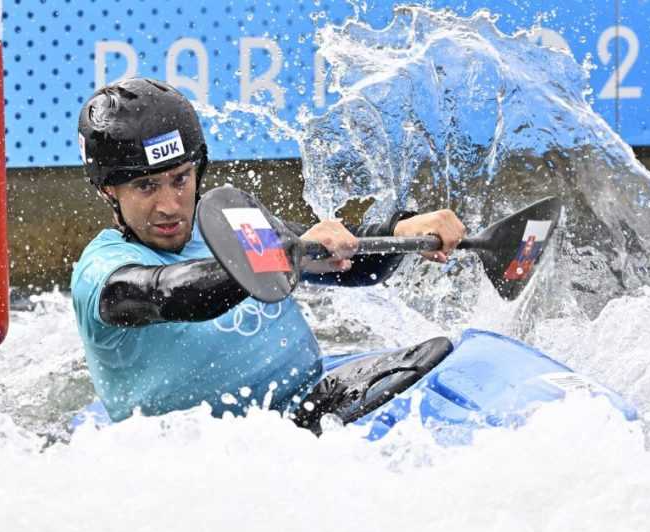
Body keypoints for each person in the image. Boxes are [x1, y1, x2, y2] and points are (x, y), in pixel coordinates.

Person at [71, 78, 465, 424]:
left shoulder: (231, 224)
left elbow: (352, 269)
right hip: (207, 454)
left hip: (312, 405)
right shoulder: (103, 272)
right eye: (146, 187)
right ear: (109, 190)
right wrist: (280, 255)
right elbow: (171, 292)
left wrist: (400, 229)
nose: (170, 205)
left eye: (180, 179)